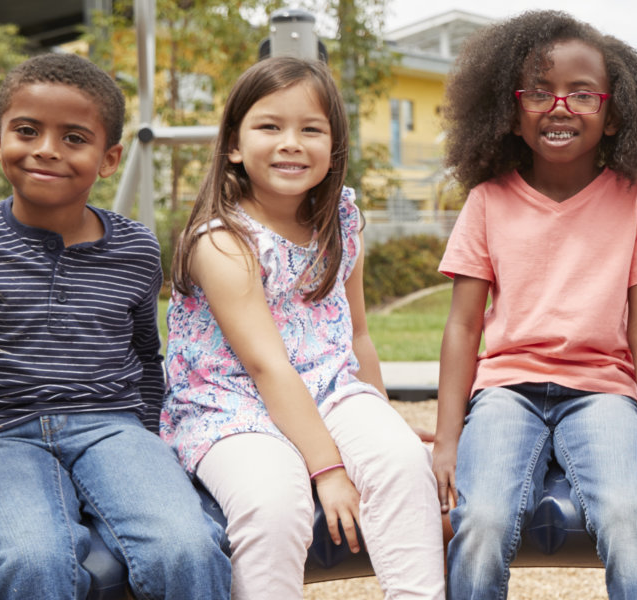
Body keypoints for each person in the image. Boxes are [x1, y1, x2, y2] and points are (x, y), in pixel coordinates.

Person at [0, 53, 230, 599]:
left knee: (184, 545)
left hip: (111, 425)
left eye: (74, 138)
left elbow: (148, 356)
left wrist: (148, 441)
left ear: (109, 157)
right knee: (33, 558)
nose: (47, 149)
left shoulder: (136, 248)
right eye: (26, 131)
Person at [162, 57, 443, 600]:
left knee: (404, 462)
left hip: (329, 387)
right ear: (234, 146)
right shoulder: (221, 241)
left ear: (334, 148)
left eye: (310, 129)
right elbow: (268, 366)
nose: (291, 142)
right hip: (229, 405)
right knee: (273, 502)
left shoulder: (342, 218)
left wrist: (380, 421)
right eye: (270, 126)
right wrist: (331, 470)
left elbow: (357, 334)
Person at [430, 10, 637, 600]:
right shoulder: (488, 201)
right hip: (505, 391)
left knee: (627, 514)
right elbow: (463, 325)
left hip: (603, 391)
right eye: (539, 93)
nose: (560, 106)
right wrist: (447, 441)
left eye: (581, 93)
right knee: (483, 520)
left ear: (614, 111)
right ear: (508, 110)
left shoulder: (636, 201)